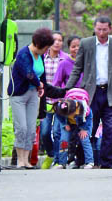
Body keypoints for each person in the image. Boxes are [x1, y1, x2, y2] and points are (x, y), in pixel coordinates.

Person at [66, 16, 112, 168]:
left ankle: (107, 162)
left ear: (110, 29)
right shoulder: (86, 44)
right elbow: (77, 68)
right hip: (90, 93)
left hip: (109, 91)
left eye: (104, 29)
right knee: (87, 128)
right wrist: (68, 90)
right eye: (99, 29)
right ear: (94, 28)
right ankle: (80, 160)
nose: (101, 32)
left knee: (109, 128)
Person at [7, 27, 66, 169]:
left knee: (31, 128)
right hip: (19, 95)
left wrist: (60, 91)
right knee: (21, 127)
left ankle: (27, 160)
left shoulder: (40, 57)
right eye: (46, 47)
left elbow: (43, 79)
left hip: (33, 96)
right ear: (39, 45)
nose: (47, 51)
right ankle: (20, 160)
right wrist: (39, 84)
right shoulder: (23, 54)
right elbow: (28, 73)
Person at [52, 35, 83, 168]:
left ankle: (80, 160)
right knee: (64, 134)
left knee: (82, 135)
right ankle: (61, 161)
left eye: (79, 46)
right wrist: (57, 103)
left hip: (83, 106)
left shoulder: (87, 62)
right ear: (69, 48)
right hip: (67, 107)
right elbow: (57, 84)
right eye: (73, 46)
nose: (76, 49)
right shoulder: (64, 63)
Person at [40, 31, 68, 169]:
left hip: (60, 101)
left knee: (57, 131)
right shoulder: (41, 58)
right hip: (45, 100)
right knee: (45, 132)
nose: (57, 42)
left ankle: (58, 160)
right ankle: (51, 153)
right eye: (55, 40)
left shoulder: (65, 59)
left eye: (60, 40)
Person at [53, 95, 94, 169]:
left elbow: (89, 116)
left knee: (84, 139)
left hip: (83, 123)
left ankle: (90, 162)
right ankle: (62, 163)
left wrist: (84, 129)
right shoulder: (61, 106)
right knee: (63, 140)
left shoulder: (83, 107)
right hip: (68, 124)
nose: (70, 115)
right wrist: (64, 124)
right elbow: (57, 115)